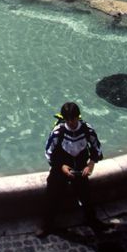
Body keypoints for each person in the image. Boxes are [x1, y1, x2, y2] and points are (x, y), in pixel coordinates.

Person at [37, 101, 109, 237]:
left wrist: (91, 164)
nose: (71, 122)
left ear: (78, 116)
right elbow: (49, 152)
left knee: (86, 196)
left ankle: (91, 220)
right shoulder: (58, 132)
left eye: (74, 118)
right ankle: (47, 224)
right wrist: (61, 166)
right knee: (52, 196)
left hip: (81, 168)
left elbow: (96, 147)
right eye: (68, 119)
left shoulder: (87, 129)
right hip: (60, 169)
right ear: (64, 118)